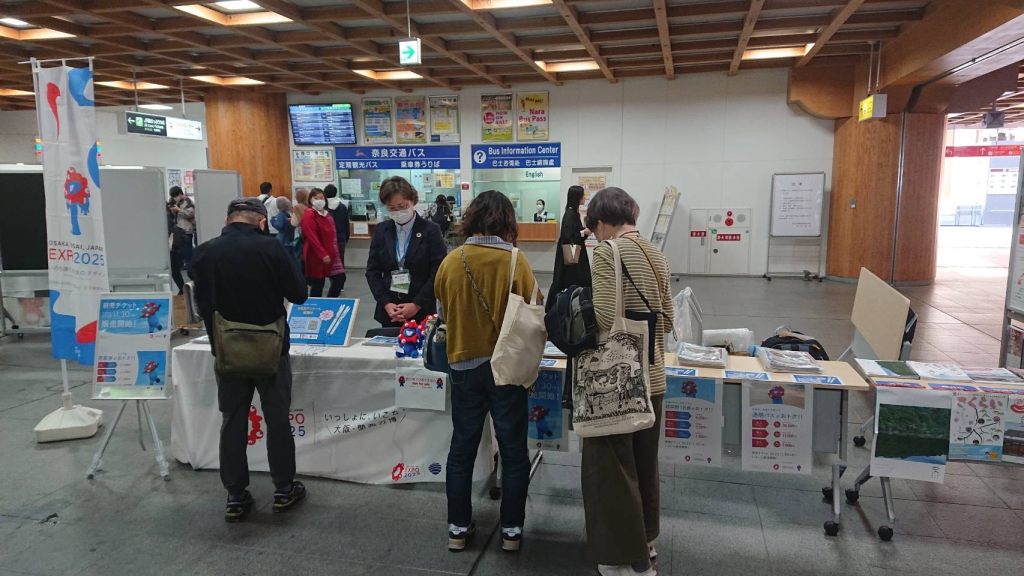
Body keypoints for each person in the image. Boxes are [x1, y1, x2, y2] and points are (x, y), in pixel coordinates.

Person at [190, 197, 309, 522]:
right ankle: (283, 489)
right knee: (277, 419)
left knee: (232, 421)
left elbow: (201, 306)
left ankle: (235, 495)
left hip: (227, 351)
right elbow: (299, 294)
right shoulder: (272, 248)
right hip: (271, 349)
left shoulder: (205, 251)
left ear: (227, 221)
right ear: (261, 222)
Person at [434, 190, 540, 554]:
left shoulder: (451, 261)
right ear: (507, 221)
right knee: (513, 450)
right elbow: (534, 310)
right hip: (506, 367)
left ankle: (457, 528)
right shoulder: (515, 261)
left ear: (472, 219)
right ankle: (511, 530)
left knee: (462, 446)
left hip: (463, 363)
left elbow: (443, 312)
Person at [581, 187, 674, 576]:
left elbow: (605, 316)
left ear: (601, 223)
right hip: (653, 377)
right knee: (644, 464)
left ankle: (623, 559)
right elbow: (668, 319)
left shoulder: (608, 251)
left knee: (612, 470)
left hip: (617, 381)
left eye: (594, 230)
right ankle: (646, 543)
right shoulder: (655, 253)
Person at [365, 176, 446, 327]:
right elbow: (372, 271)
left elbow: (438, 272)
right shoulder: (381, 231)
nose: (398, 212)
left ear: (413, 201)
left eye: (402, 206)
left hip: (422, 310)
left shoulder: (430, 230)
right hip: (391, 312)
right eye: (392, 208)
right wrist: (386, 303)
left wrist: (416, 304)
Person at [546, 185, 592, 310]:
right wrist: (583, 232)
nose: (584, 198)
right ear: (578, 197)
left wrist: (583, 233)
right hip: (571, 258)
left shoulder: (573, 213)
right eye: (583, 195)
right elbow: (567, 236)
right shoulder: (570, 214)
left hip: (575, 256)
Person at [301, 188, 345, 297]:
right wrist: (322, 253)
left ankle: (329, 302)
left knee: (340, 278)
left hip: (332, 252)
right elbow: (311, 236)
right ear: (311, 199)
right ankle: (317, 305)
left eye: (321, 198)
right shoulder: (310, 214)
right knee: (318, 283)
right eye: (316, 198)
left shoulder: (327, 213)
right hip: (317, 255)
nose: (319, 200)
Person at [168, 186, 195, 294]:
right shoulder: (176, 203)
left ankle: (192, 279)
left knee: (187, 254)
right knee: (180, 255)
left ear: (180, 194)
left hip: (186, 231)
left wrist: (179, 210)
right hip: (178, 232)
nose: (175, 198)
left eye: (175, 196)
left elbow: (190, 214)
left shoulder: (188, 202)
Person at [324, 184, 350, 285]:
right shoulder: (342, 207)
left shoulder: (324, 208)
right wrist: (346, 238)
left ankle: (332, 282)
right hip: (341, 239)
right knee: (340, 261)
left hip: (328, 240)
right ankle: (340, 284)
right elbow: (346, 224)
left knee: (329, 261)